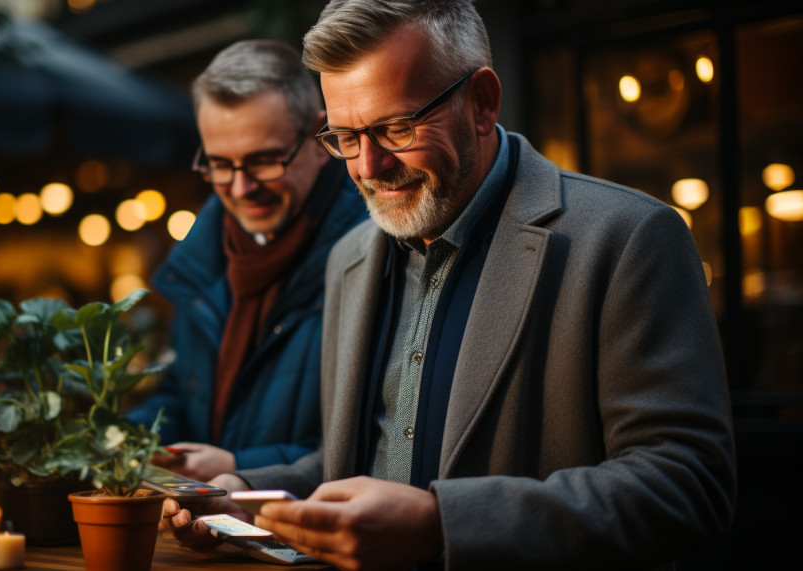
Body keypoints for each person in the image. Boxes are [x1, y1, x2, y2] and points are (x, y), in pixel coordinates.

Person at [164, 1, 737, 570]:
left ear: (482, 102)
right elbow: (363, 466)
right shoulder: (349, 258)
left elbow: (687, 485)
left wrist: (443, 526)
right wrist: (243, 493)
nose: (368, 166)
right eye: (345, 137)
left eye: (396, 128)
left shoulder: (629, 236)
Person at [126, 39, 367, 483]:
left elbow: (380, 447)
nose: (240, 188)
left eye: (263, 161)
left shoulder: (375, 254)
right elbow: (181, 391)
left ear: (319, 138)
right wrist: (128, 443)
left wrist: (241, 468)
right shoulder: (201, 255)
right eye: (220, 164)